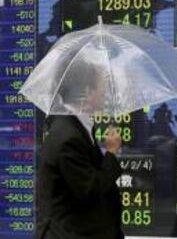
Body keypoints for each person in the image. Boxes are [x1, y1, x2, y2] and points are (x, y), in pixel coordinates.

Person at [35, 64, 124, 239]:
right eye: (102, 89)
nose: (105, 95)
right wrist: (111, 154)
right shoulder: (69, 137)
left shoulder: (74, 128)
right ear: (87, 92)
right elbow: (90, 189)